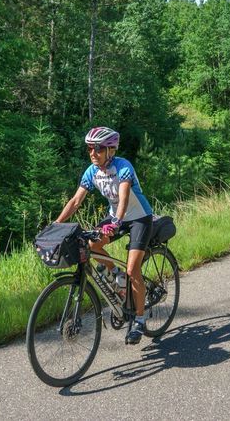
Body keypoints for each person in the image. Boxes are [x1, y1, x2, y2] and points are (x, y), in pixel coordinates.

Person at [54, 126, 153, 345]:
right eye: (90, 148)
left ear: (110, 150)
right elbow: (75, 201)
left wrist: (116, 222)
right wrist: (57, 224)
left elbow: (124, 198)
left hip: (139, 217)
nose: (93, 153)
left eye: (97, 148)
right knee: (91, 245)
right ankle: (116, 274)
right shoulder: (92, 172)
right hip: (115, 217)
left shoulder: (123, 167)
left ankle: (139, 319)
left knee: (133, 269)